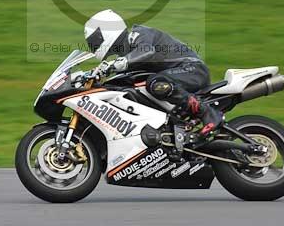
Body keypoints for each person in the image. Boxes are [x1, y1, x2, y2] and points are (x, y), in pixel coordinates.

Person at [84, 9, 223, 136]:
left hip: (193, 69)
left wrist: (116, 65)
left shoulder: (138, 33)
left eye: (94, 41)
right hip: (178, 75)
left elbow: (146, 51)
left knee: (155, 83)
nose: (93, 45)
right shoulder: (127, 56)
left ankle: (207, 112)